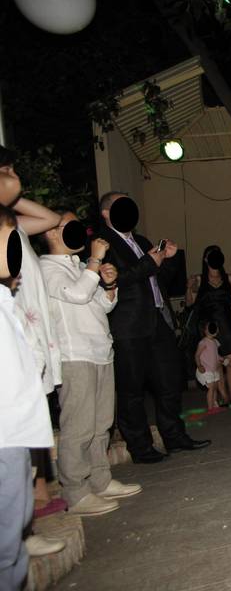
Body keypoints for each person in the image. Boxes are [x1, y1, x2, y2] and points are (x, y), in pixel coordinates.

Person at [39, 212, 142, 516]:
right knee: (78, 427)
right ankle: (76, 491)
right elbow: (78, 293)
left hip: (100, 352)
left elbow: (101, 303)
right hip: (75, 356)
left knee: (101, 425)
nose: (77, 230)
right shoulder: (46, 268)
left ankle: (100, 479)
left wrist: (109, 285)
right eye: (66, 225)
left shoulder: (79, 266)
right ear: (51, 233)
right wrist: (95, 264)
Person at [98, 192, 210, 463]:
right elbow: (112, 281)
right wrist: (149, 263)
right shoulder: (102, 244)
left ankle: (174, 436)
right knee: (132, 389)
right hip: (129, 326)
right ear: (106, 213)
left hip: (157, 320)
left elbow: (159, 280)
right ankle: (140, 446)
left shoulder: (142, 241)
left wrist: (167, 259)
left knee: (170, 382)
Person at [0, 203, 57, 589]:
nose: (14, 251)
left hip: (17, 433)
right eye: (6, 241)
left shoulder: (7, 298)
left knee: (12, 538)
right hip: (4, 436)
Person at [186, 245, 231, 405]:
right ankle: (224, 397)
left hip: (226, 324)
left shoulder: (229, 278)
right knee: (216, 364)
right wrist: (188, 287)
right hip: (209, 328)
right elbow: (188, 302)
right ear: (206, 259)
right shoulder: (199, 280)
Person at [195, 321, 229, 412]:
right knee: (211, 388)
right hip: (205, 370)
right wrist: (199, 365)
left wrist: (222, 359)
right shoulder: (203, 342)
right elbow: (197, 355)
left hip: (213, 370)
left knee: (214, 388)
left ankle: (214, 403)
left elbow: (216, 355)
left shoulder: (215, 342)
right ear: (205, 331)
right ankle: (210, 408)